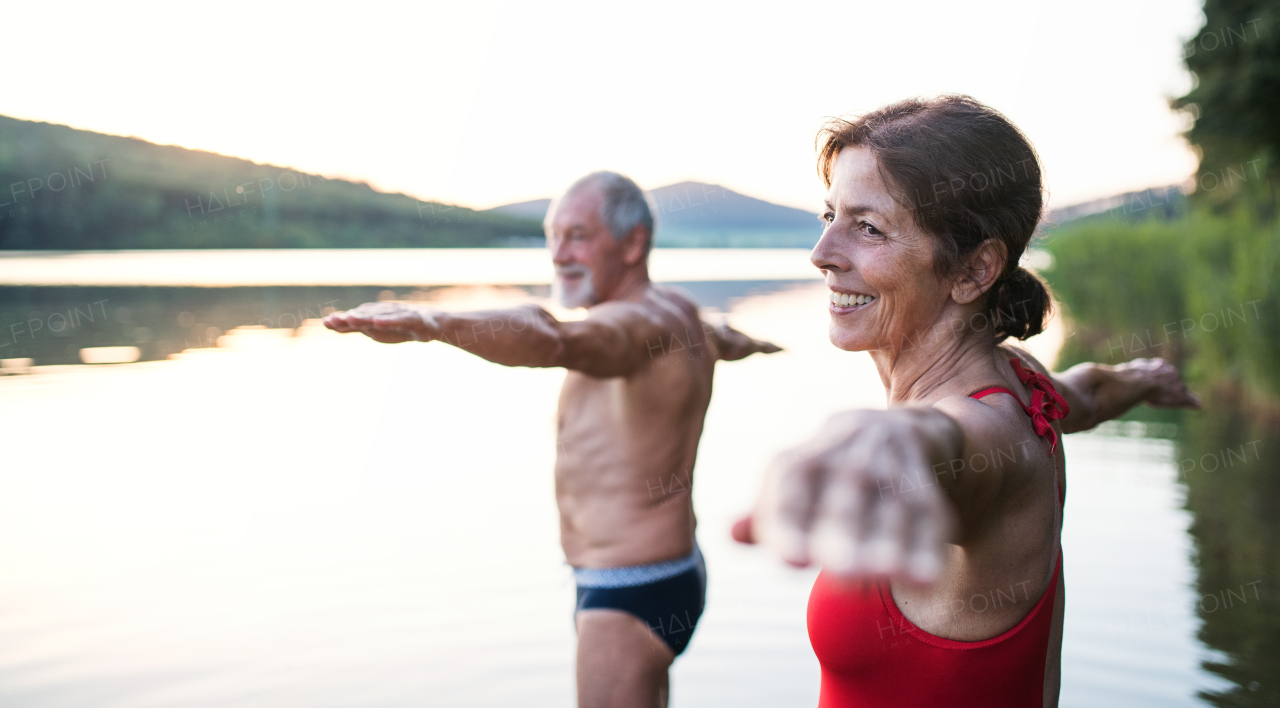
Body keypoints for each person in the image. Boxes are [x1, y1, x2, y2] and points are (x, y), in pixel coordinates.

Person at [732, 96, 1200, 707]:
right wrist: (1140, 378)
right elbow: (1088, 392)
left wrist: (888, 440)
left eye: (868, 228)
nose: (822, 253)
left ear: (975, 270)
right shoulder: (1025, 381)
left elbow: (952, 447)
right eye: (831, 215)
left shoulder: (988, 435)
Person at [324, 171, 781, 708]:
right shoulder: (682, 315)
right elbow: (728, 339)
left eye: (579, 236)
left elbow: (552, 336)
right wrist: (764, 345)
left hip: (626, 592)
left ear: (634, 243)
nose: (559, 253)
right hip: (664, 573)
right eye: (552, 235)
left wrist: (433, 322)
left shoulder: (631, 328)